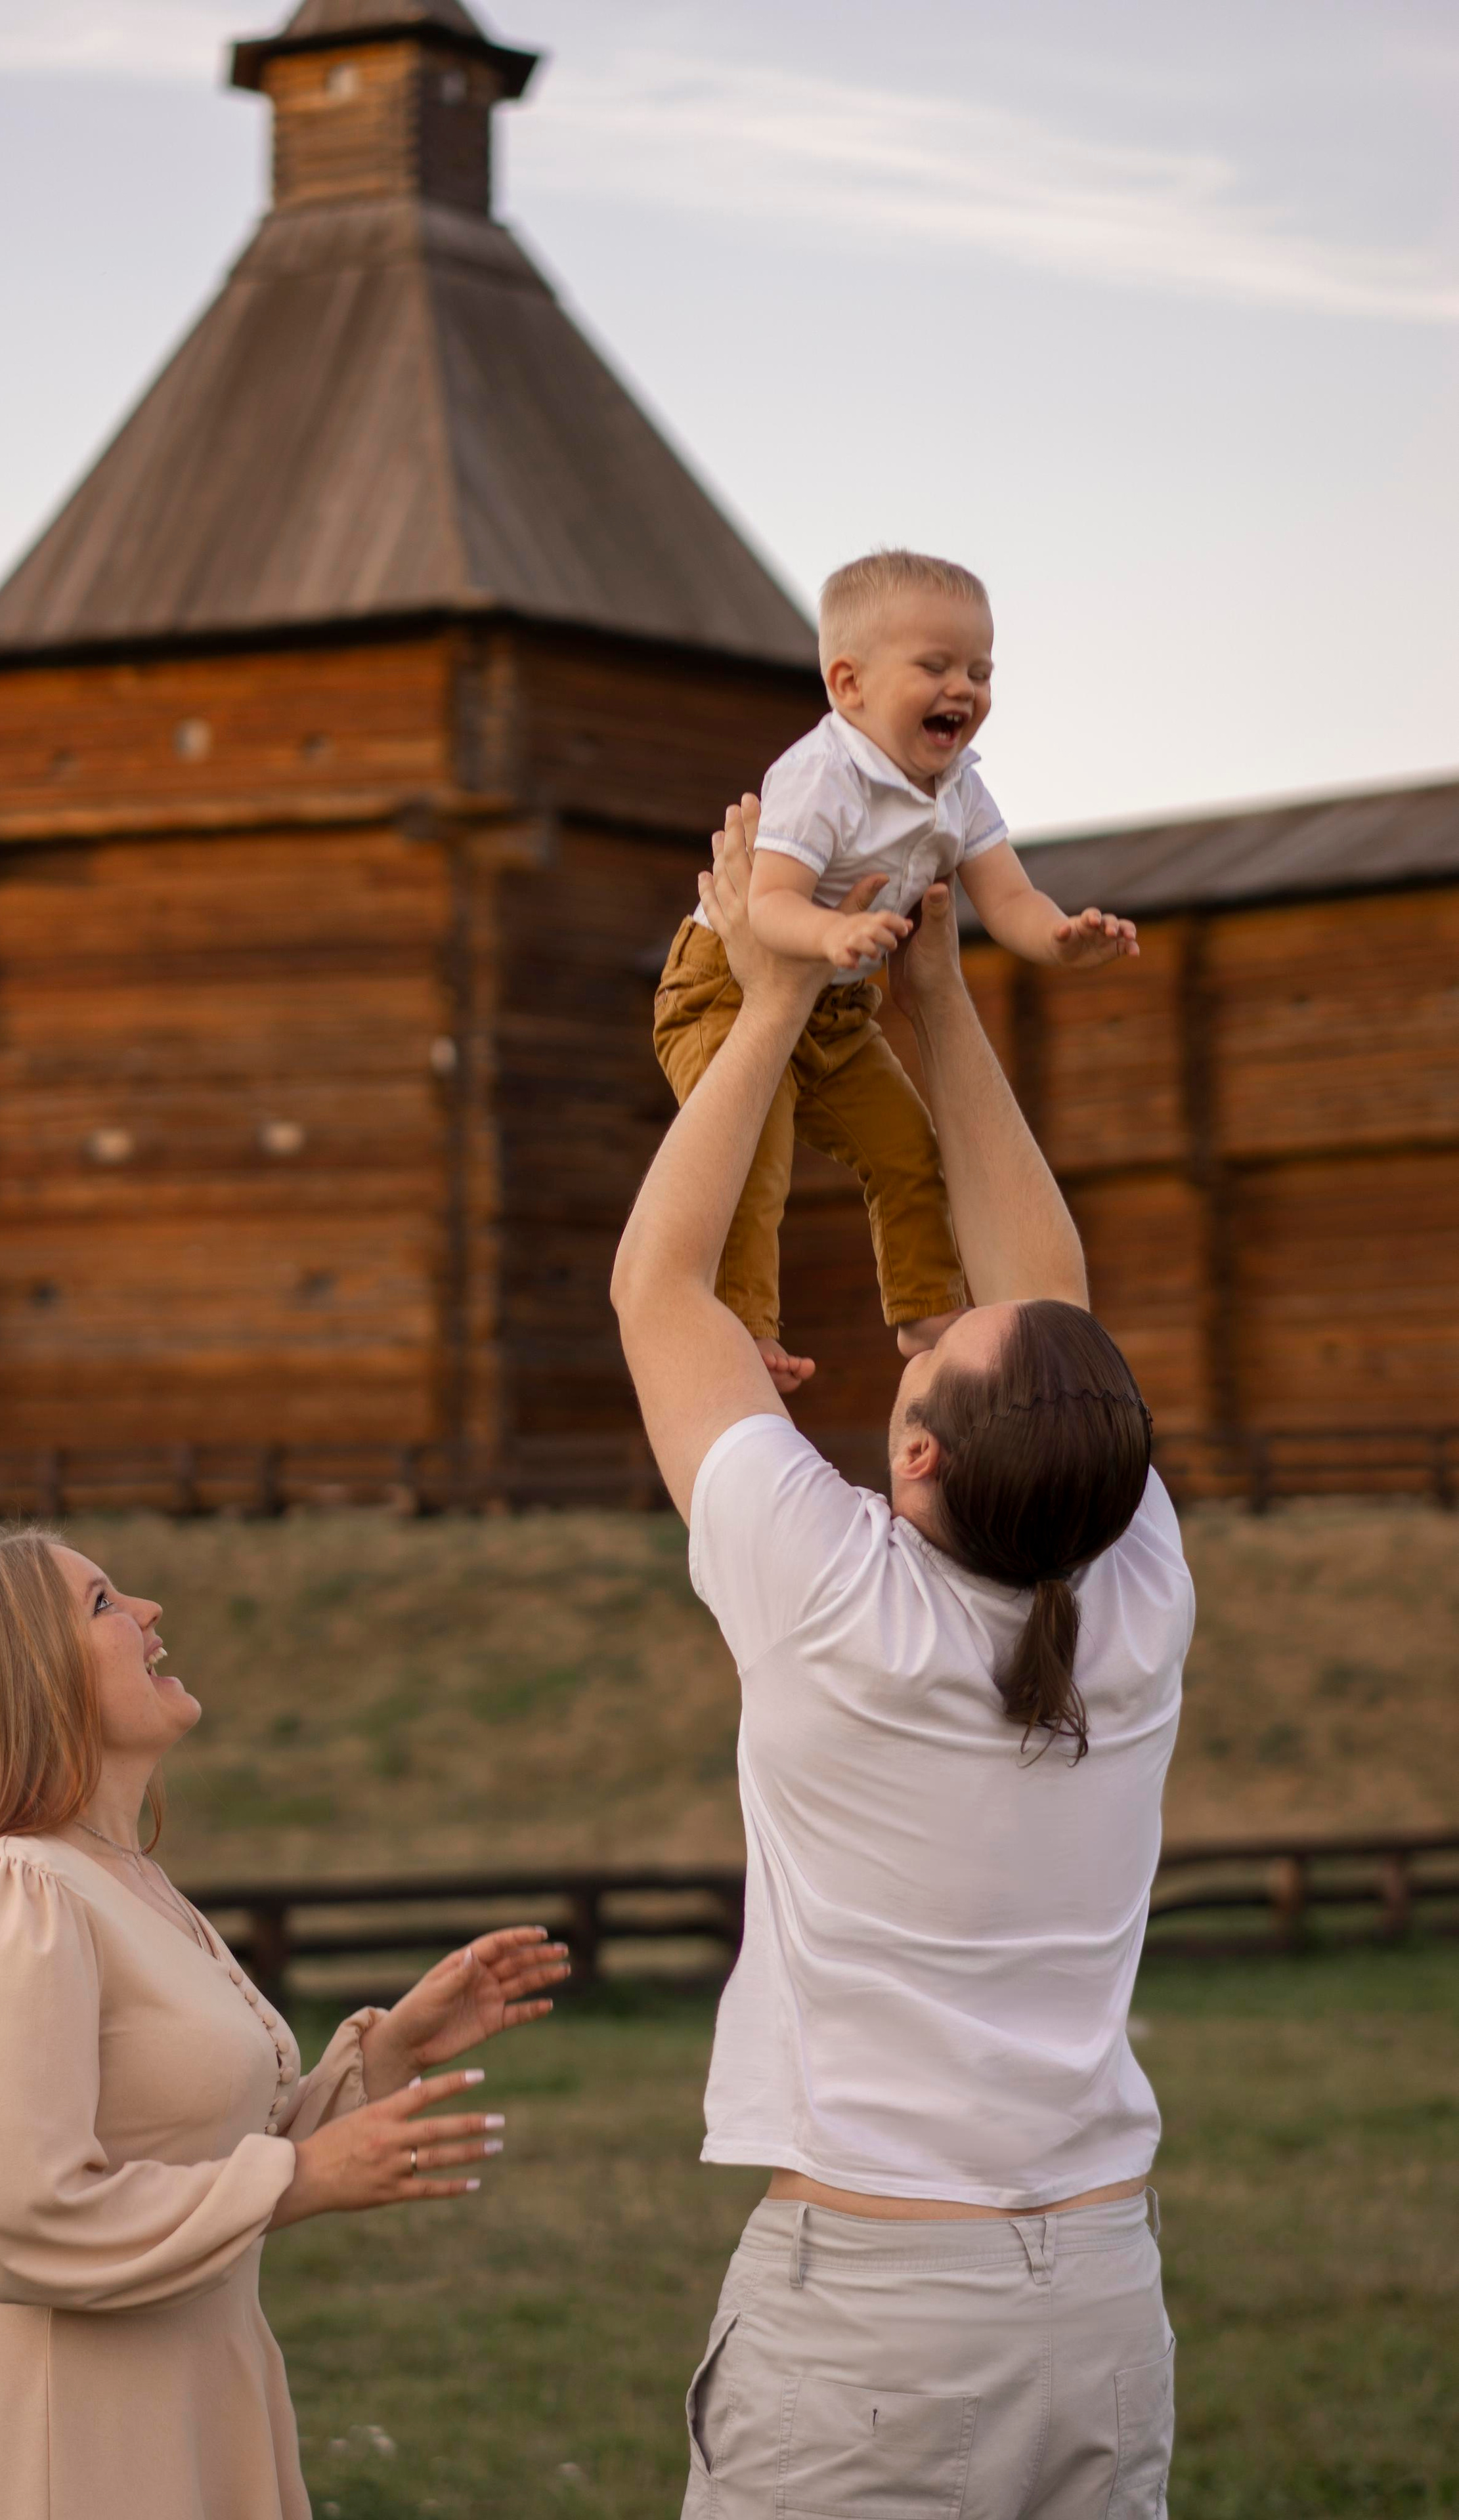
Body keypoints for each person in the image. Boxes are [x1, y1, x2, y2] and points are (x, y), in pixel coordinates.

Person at [613, 801, 1192, 2519]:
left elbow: (663, 1294)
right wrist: (939, 983)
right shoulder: (1133, 1590)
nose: (925, 1329)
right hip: (1098, 2294)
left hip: (874, 2316)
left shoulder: (835, 1604)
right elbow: (1042, 1292)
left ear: (918, 1461)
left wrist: (776, 983)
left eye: (929, 1359)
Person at [0, 1523, 569, 2520]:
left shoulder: (133, 1884)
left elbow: (202, 2156)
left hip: (193, 2398)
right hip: (80, 2442)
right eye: (104, 1604)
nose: (150, 1613)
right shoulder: (19, 1889)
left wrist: (389, 2052)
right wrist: (305, 2176)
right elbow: (24, 2223)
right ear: (30, 1677)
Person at [652, 547, 1138, 1397]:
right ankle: (747, 1330)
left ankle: (925, 1311)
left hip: (837, 1015)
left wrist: (1060, 936)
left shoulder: (960, 789)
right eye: (937, 666)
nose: (966, 689)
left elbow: (1009, 894)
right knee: (754, 1160)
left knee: (910, 1151)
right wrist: (827, 938)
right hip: (729, 991)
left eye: (981, 670)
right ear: (850, 684)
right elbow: (765, 906)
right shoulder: (821, 775)